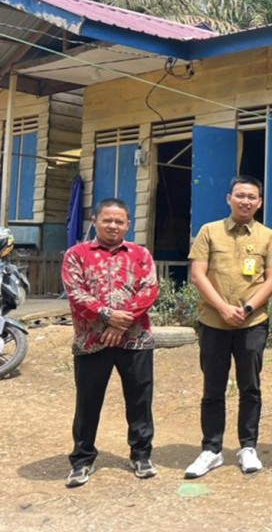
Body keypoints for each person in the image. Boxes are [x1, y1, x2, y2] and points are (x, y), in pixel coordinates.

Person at [185, 175, 272, 478]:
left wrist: (248, 308)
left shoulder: (268, 237)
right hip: (214, 322)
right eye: (240, 195)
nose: (245, 201)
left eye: (252, 197)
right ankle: (211, 449)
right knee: (213, 387)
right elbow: (198, 275)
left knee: (250, 386)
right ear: (229, 198)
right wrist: (224, 308)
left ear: (259, 202)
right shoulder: (209, 232)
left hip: (252, 323)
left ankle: (248, 447)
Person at [60, 198, 159, 488]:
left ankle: (141, 455)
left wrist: (121, 322)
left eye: (119, 221)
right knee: (88, 402)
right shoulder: (76, 254)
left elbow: (149, 290)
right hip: (92, 341)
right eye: (107, 220)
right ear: (95, 221)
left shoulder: (141, 254)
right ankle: (82, 459)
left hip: (136, 341)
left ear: (128, 224)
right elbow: (75, 294)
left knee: (140, 400)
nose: (113, 226)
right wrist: (108, 318)